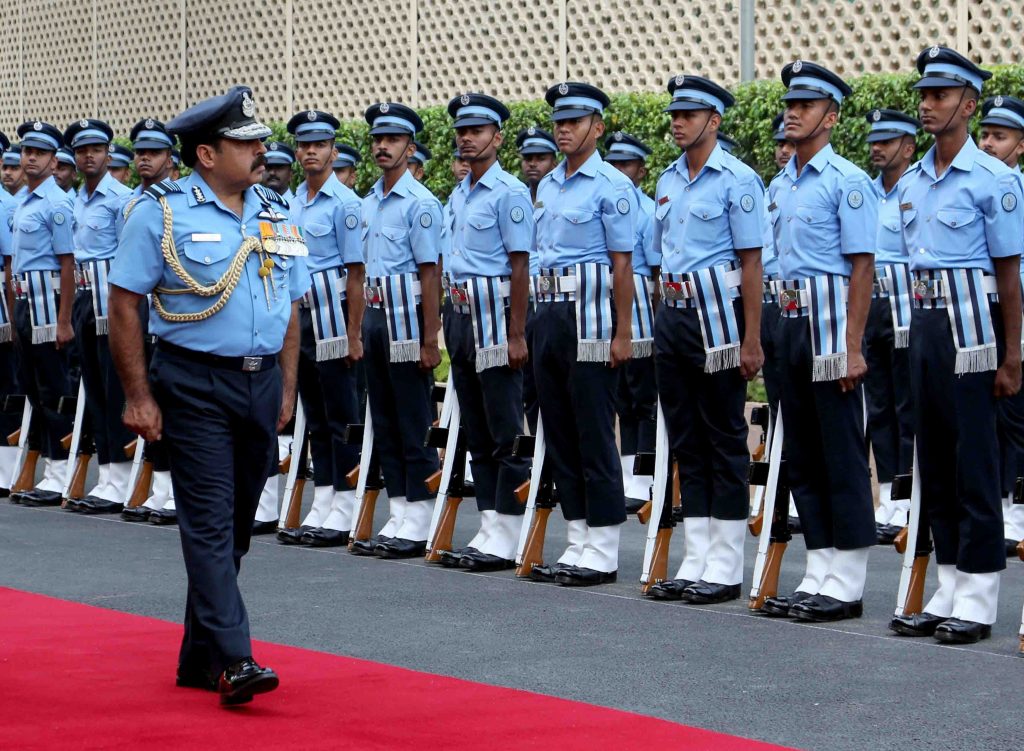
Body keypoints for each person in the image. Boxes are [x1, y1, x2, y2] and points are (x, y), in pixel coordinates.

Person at [109, 86, 307, 704]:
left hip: (259, 382)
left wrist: (286, 388)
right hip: (193, 382)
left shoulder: (276, 211)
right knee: (210, 523)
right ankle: (236, 658)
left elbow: (290, 306)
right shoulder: (161, 212)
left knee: (239, 525)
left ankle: (199, 658)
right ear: (206, 154)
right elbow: (123, 303)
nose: (260, 151)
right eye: (245, 144)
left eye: (259, 142)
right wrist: (138, 395)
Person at [888, 49, 1023, 646]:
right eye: (924, 94)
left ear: (968, 106)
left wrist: (1013, 355)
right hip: (925, 326)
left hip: (975, 330)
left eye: (940, 96)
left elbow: (1009, 276)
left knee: (975, 460)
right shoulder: (913, 181)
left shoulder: (995, 180)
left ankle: (978, 594)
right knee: (935, 459)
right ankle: (948, 584)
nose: (927, 104)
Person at [759, 61, 878, 623]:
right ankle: (819, 569)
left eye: (805, 105)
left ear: (830, 117)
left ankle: (847, 581)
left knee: (840, 452)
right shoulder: (779, 184)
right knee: (802, 452)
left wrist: (852, 347)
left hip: (829, 326)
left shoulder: (847, 182)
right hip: (786, 322)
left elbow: (862, 268)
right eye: (790, 104)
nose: (793, 113)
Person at [644, 75, 765, 605]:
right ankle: (696, 556)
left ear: (713, 121)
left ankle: (726, 563)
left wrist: (752, 339)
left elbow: (753, 263)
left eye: (689, 115)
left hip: (718, 316)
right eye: (675, 114)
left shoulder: (738, 180)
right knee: (686, 438)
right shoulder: (667, 179)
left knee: (722, 436)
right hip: (673, 316)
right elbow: (660, 256)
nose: (678, 123)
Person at [527, 82, 637, 587]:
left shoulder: (613, 186)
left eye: (574, 122)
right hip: (548, 313)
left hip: (590, 317)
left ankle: (604, 546)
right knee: (559, 431)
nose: (564, 130)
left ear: (598, 127)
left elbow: (623, 264)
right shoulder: (548, 185)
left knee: (593, 430)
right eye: (559, 122)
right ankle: (577, 538)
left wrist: (623, 332)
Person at [435, 92, 532, 571]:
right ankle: (490, 521)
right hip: (459, 316)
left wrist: (517, 334)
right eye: (462, 132)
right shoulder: (458, 194)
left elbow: (520, 267)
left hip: (495, 318)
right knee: (474, 425)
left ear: (497, 137)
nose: (467, 139)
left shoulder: (509, 193)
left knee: (503, 425)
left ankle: (509, 527)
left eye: (476, 131)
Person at [350, 102, 442, 559]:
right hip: (374, 316)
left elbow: (431, 273)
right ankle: (400, 509)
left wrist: (430, 340)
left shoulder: (421, 203)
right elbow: (360, 271)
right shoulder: (367, 203)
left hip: (407, 319)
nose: (383, 146)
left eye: (393, 140)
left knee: (412, 418)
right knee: (383, 417)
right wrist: (355, 331)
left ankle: (420, 516)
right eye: (378, 139)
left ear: (409, 147)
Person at [275, 109, 364, 548]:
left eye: (320, 145)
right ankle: (324, 497)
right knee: (314, 414)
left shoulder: (346, 204)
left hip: (334, 316)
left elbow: (357, 272)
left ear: (333, 151)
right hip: (302, 317)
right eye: (304, 145)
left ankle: (345, 505)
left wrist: (354, 333)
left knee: (341, 414)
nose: (311, 152)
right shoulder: (291, 203)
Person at [62, 118, 133, 514]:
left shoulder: (121, 199)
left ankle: (120, 477)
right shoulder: (77, 198)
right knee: (93, 385)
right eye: (81, 150)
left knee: (113, 386)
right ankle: (106, 475)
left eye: (96, 149)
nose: (88, 156)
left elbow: (130, 256)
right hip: (84, 297)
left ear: (108, 153)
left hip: (110, 299)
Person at [5, 121, 76, 507]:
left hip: (48, 306)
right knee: (33, 387)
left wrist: (64, 321)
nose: (30, 158)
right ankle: (49, 466)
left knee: (53, 389)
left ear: (53, 161)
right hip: (25, 303)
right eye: (26, 151)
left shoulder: (56, 203)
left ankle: (61, 471)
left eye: (39, 153)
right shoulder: (24, 202)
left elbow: (68, 264)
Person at [117, 117, 178, 524]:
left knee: (172, 403)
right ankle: (159, 487)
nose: (144, 159)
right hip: (138, 306)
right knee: (146, 394)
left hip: (170, 310)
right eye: (140, 152)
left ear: (170, 159)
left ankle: (176, 489)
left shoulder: (179, 200)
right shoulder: (131, 204)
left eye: (153, 152)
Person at [863, 108, 920, 543]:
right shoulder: (866, 191)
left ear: (909, 146)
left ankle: (908, 497)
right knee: (879, 405)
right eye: (874, 141)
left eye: (887, 141)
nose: (877, 148)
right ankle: (887, 498)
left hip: (907, 305)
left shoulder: (917, 188)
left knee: (907, 405)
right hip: (871, 304)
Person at [976, 94, 1024, 556]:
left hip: (1017, 313)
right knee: (992, 420)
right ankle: (1001, 503)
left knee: (1017, 420)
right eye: (985, 135)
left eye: (1000, 136)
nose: (988, 143)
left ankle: (1018, 510)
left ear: (1021, 145)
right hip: (984, 315)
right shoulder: (980, 184)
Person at [603, 131, 658, 513]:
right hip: (607, 310)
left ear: (641, 170)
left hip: (641, 316)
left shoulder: (649, 211)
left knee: (643, 399)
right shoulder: (605, 204)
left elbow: (657, 272)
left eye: (627, 164)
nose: (620, 170)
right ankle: (627, 474)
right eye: (614, 163)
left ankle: (645, 476)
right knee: (621, 397)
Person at [516, 126, 558, 204]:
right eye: (528, 158)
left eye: (541, 159)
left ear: (554, 163)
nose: (532, 164)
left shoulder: (563, 197)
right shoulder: (516, 197)